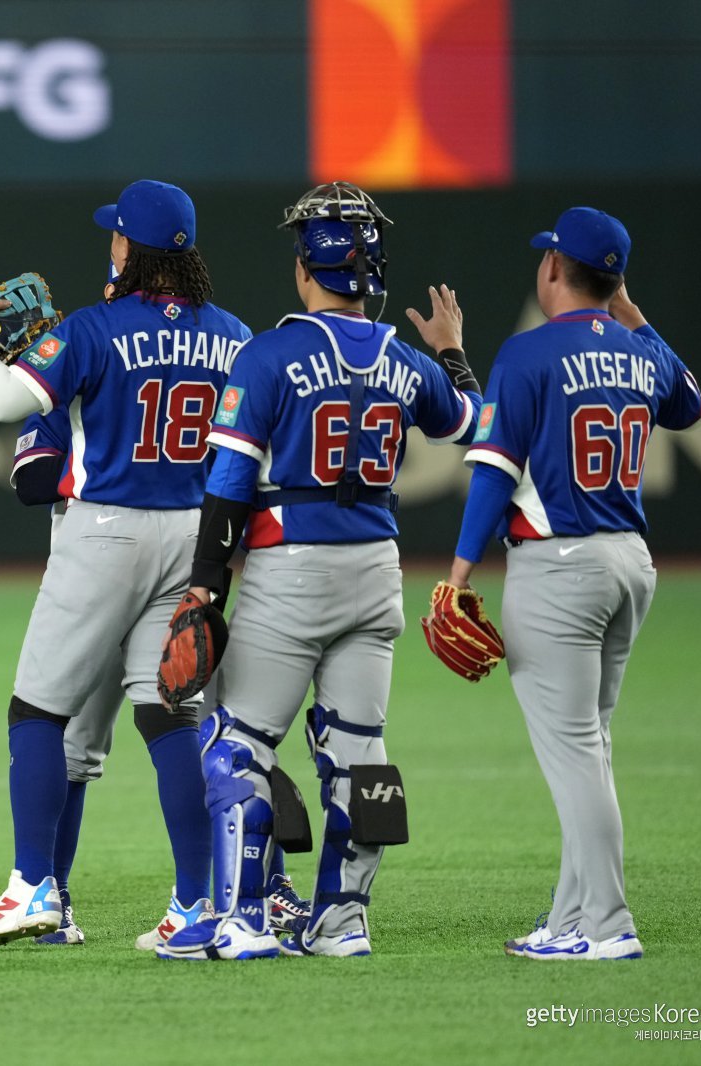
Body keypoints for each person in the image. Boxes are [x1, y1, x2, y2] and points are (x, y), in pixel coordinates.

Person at [156, 181, 479, 961]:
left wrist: (206, 583)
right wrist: (452, 351)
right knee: (360, 755)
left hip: (291, 567)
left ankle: (241, 922)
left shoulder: (270, 354)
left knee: (236, 747)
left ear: (307, 268)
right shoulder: (405, 363)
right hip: (376, 569)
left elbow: (229, 480)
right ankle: (343, 922)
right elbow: (472, 420)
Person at [0, 179, 252, 948]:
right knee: (169, 714)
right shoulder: (234, 335)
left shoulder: (95, 327)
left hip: (107, 527)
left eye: (116, 235)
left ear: (131, 249)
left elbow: (1, 402)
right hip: (194, 534)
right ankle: (196, 905)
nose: (109, 243)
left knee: (38, 711)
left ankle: (32, 888)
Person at [438, 207, 701, 961]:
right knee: (590, 749)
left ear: (554, 268)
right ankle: (571, 918)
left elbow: (494, 473)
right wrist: (632, 314)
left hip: (560, 570)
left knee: (578, 754)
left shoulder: (528, 354)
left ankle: (611, 924)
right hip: (629, 565)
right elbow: (692, 406)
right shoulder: (638, 350)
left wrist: (459, 573)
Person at [10, 410, 311, 947]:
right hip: (152, 572)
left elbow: (34, 480)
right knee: (86, 746)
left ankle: (264, 885)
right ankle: (61, 899)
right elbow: (31, 480)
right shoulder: (77, 389)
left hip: (129, 567)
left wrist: (111, 473)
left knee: (220, 735)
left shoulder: (86, 369)